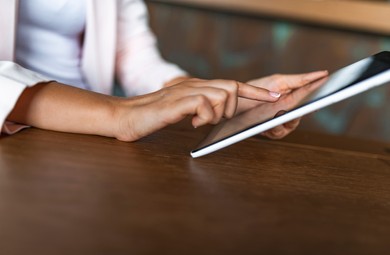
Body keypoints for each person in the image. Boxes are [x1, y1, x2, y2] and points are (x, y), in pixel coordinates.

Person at [0, 0, 328, 141]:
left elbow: (134, 55)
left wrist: (216, 95)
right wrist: (118, 114)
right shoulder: (115, 116)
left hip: (83, 136)